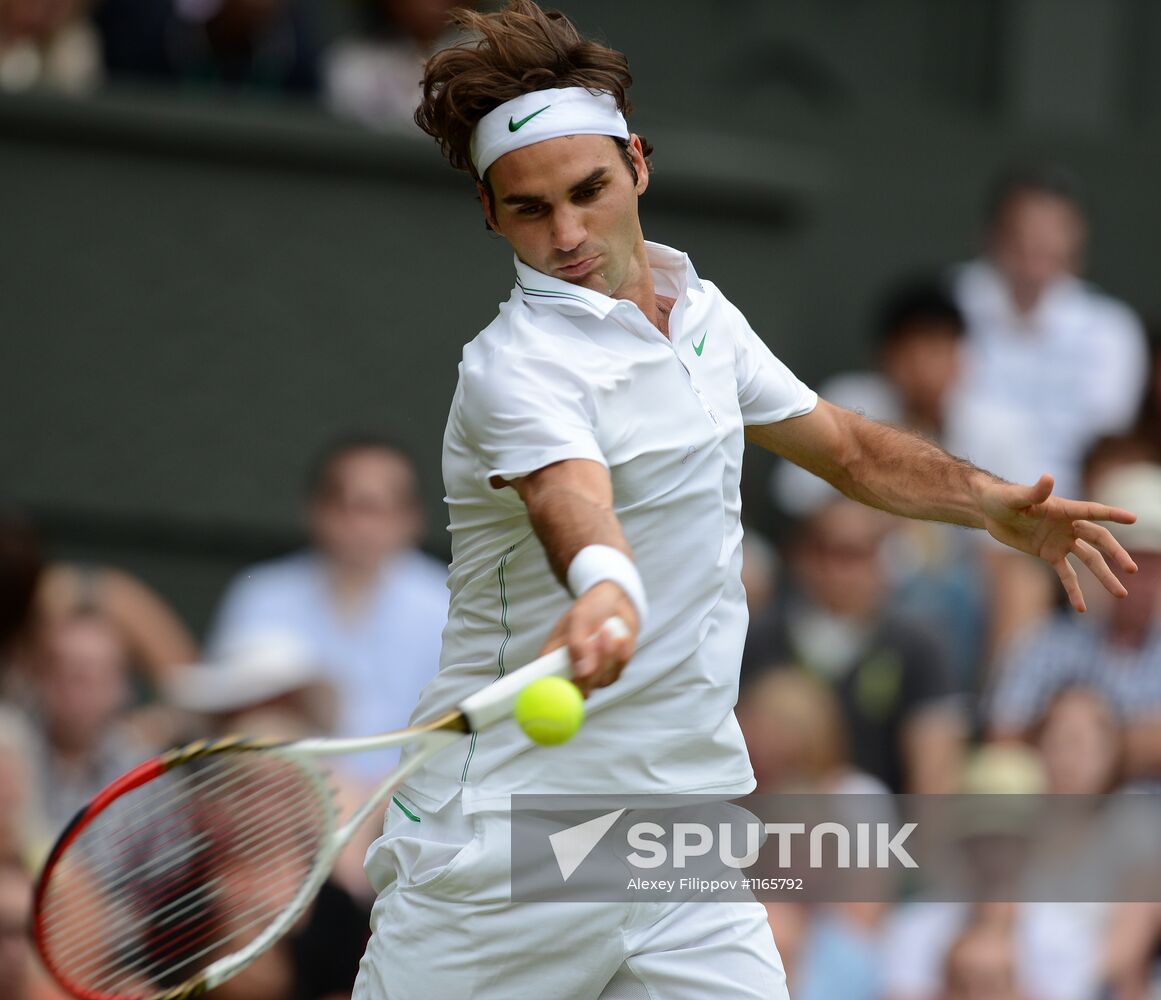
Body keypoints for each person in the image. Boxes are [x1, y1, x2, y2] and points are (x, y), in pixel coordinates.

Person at [354, 3, 1138, 997]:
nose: (567, 234)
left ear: (638, 163)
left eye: (589, 191)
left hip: (674, 833)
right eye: (529, 210)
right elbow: (570, 497)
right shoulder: (514, 368)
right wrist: (602, 585)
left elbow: (848, 447)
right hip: (508, 847)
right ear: (490, 214)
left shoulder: (705, 319)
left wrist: (988, 503)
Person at [207, 434, 447, 779]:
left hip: (420, 804)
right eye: (347, 505)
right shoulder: (263, 594)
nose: (362, 525)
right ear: (315, 510)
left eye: (379, 508)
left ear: (413, 518)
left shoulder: (448, 603)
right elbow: (235, 726)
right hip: (294, 805)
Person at [951, 162, 1149, 504]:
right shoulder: (949, 303)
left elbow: (1105, 447)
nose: (1037, 241)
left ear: (1079, 240)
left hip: (1070, 511)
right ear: (993, 233)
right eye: (1025, 227)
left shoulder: (1112, 330)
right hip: (962, 504)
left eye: (1054, 229)